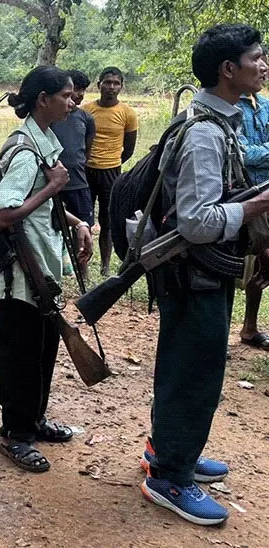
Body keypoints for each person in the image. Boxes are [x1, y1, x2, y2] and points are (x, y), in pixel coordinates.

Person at [140, 24, 269, 526]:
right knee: (196, 372)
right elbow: (196, 222)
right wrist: (256, 204)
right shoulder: (204, 134)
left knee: (183, 366)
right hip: (195, 275)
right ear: (228, 69)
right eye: (256, 57)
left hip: (197, 274)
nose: (264, 65)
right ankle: (170, 477)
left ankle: (169, 450)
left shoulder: (218, 121)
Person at [0, 66, 93, 473]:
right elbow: (2, 215)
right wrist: (52, 187)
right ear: (43, 99)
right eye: (66, 95)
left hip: (43, 268)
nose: (72, 101)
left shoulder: (44, 141)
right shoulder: (25, 151)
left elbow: (45, 204)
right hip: (21, 274)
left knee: (43, 348)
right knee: (21, 353)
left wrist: (78, 223)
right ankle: (15, 433)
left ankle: (33, 419)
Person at [83, 67, 138, 276]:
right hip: (86, 170)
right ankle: (83, 265)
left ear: (121, 87)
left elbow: (129, 148)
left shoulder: (127, 113)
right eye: (107, 82)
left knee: (107, 221)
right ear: (99, 85)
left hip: (111, 172)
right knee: (84, 219)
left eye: (116, 83)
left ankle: (105, 266)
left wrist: (112, 161)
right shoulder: (86, 111)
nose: (111, 87)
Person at [237, 54, 269, 350]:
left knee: (263, 263)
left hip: (266, 194)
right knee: (243, 260)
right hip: (242, 195)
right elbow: (243, 155)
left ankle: (250, 327)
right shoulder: (231, 108)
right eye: (258, 60)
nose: (264, 68)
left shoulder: (266, 106)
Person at [51, 69, 96, 280]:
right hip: (54, 184)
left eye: (82, 90)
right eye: (74, 89)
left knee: (83, 228)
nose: (79, 95)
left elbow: (86, 150)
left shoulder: (86, 118)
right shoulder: (54, 116)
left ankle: (83, 272)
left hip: (78, 182)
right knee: (54, 225)